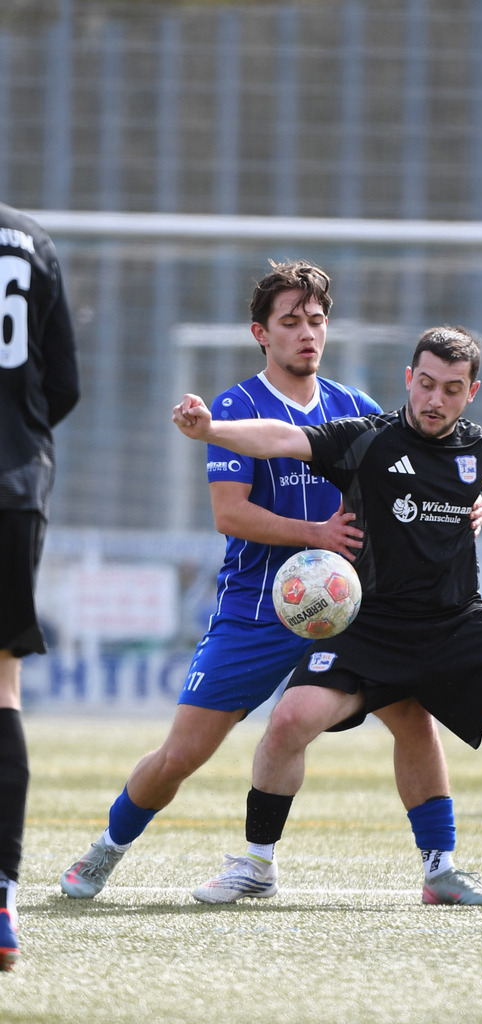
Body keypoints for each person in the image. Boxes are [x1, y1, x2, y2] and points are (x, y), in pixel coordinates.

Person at [60, 262, 482, 909]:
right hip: (256, 609)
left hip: (352, 609)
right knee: (183, 753)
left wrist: (469, 504)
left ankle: (439, 868)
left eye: (315, 320)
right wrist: (314, 535)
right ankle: (106, 848)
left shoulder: (355, 408)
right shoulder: (238, 408)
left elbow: (419, 477)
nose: (306, 333)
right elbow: (228, 514)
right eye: (289, 322)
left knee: (411, 717)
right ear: (260, 333)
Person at [172, 324, 482, 912]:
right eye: (427, 384)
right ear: (409, 380)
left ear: (471, 392)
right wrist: (210, 429)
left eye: (452, 389)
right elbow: (280, 439)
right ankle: (257, 864)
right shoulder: (366, 440)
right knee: (289, 722)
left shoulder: (473, 447)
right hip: (368, 626)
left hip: (455, 625)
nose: (435, 400)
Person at [0, 203, 80, 971]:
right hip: (14, 486)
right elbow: (66, 384)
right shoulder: (33, 239)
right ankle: (0, 900)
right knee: (2, 686)